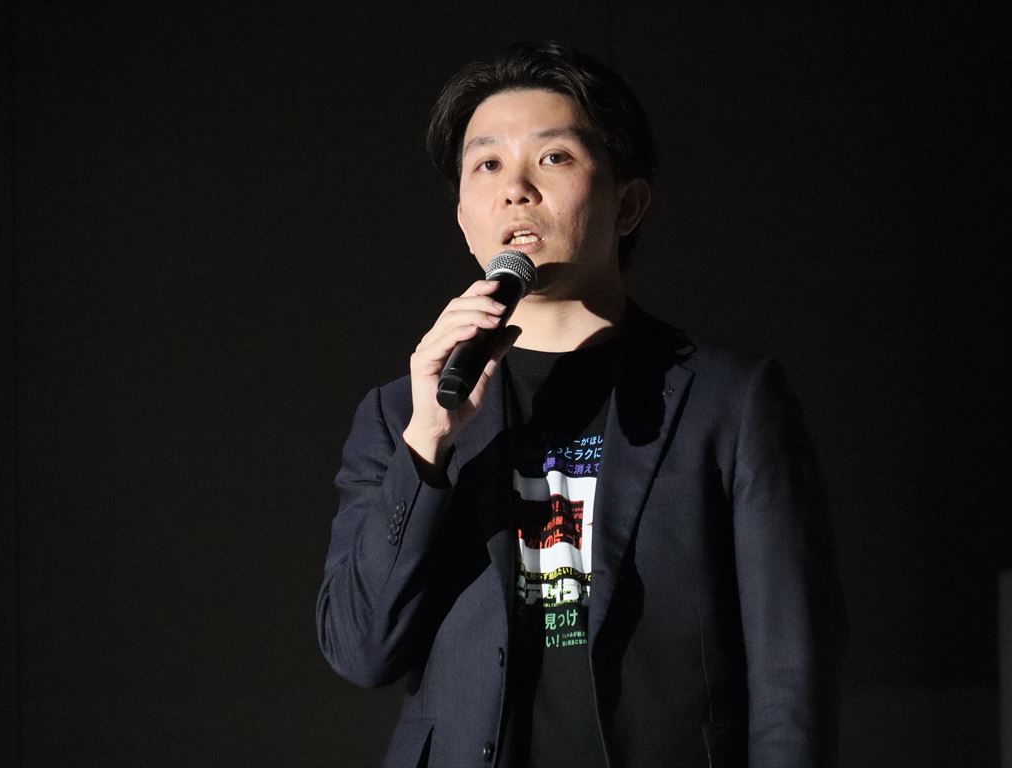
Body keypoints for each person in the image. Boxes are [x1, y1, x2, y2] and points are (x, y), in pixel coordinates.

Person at [317, 41, 845, 768]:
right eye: (487, 165)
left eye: (554, 157)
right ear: (465, 220)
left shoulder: (731, 401)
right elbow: (360, 649)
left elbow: (791, 669)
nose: (516, 189)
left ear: (627, 203)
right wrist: (428, 441)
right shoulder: (400, 415)